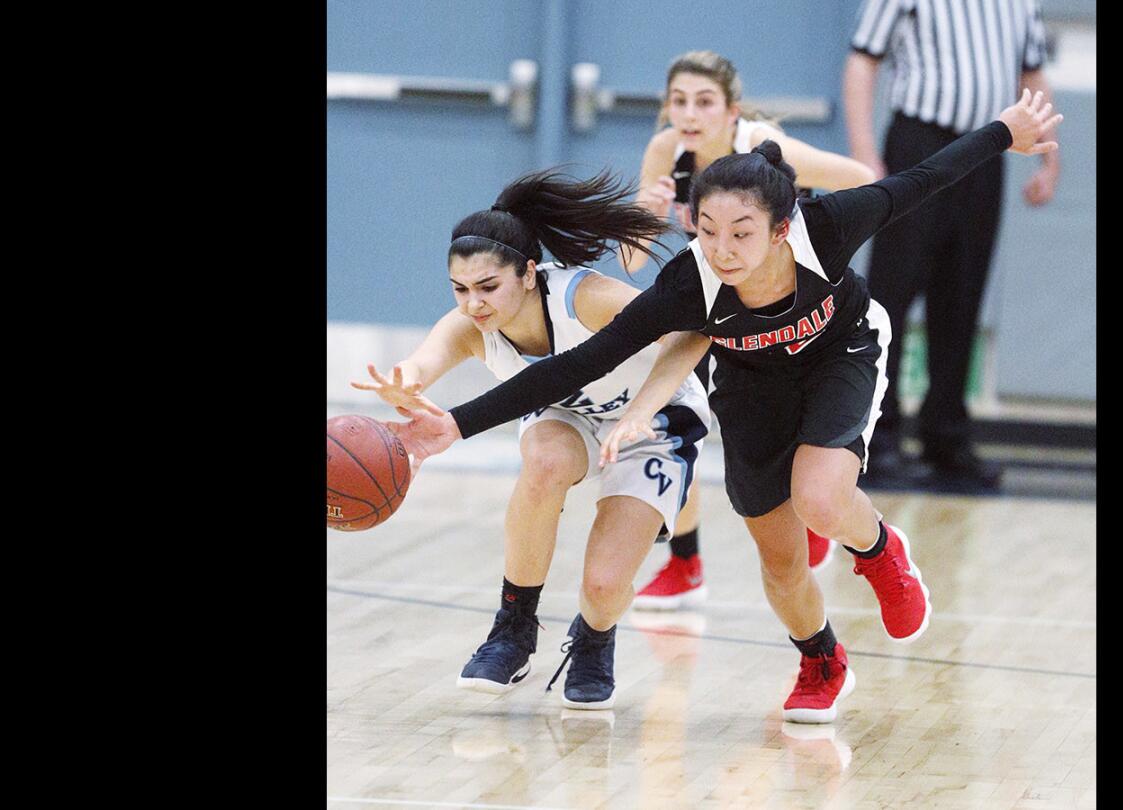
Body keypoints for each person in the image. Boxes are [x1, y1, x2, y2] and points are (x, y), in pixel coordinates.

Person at [389, 90, 1061, 723]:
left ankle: (882, 552)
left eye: (742, 233)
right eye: (708, 230)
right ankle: (823, 660)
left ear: (780, 228)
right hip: (748, 388)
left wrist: (1007, 133)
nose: (722, 249)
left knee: (821, 497)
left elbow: (923, 178)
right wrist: (456, 423)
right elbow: (578, 364)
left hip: (840, 357)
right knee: (779, 557)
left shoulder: (828, 226)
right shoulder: (690, 282)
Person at [352, 168, 710, 710]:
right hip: (566, 420)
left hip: (652, 423)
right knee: (542, 460)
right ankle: (513, 626)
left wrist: (643, 408)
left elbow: (689, 328)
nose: (474, 303)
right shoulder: (469, 326)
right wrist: (401, 385)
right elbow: (421, 364)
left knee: (604, 586)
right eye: (460, 289)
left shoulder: (584, 299)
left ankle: (594, 636)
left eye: (488, 287)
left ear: (527, 273)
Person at [622, 50, 878, 608]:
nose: (689, 113)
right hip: (721, 311)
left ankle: (817, 520)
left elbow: (863, 180)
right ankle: (686, 562)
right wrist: (645, 212)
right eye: (679, 101)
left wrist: (804, 233)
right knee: (675, 422)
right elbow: (631, 263)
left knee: (798, 432)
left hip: (797, 311)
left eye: (704, 101)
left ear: (731, 109)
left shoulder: (763, 146)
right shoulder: (667, 150)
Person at [843, 0, 1060, 488]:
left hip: (990, 151)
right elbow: (862, 58)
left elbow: (1033, 74)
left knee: (963, 296)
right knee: (890, 296)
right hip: (921, 144)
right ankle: (877, 436)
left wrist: (1049, 161)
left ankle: (947, 435)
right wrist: (863, 152)